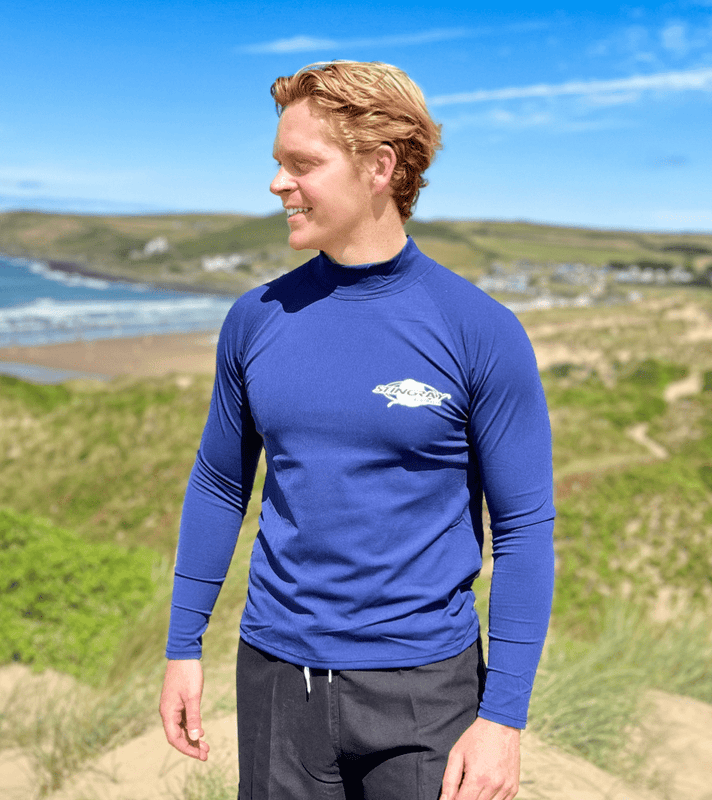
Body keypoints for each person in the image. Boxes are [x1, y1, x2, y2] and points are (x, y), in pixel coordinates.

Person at [160, 60, 555, 800]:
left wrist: (503, 717)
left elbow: (526, 527)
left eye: (301, 164)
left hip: (426, 691)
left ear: (379, 167)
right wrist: (184, 646)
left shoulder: (479, 331)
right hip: (277, 677)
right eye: (278, 164)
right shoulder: (255, 319)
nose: (278, 184)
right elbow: (219, 484)